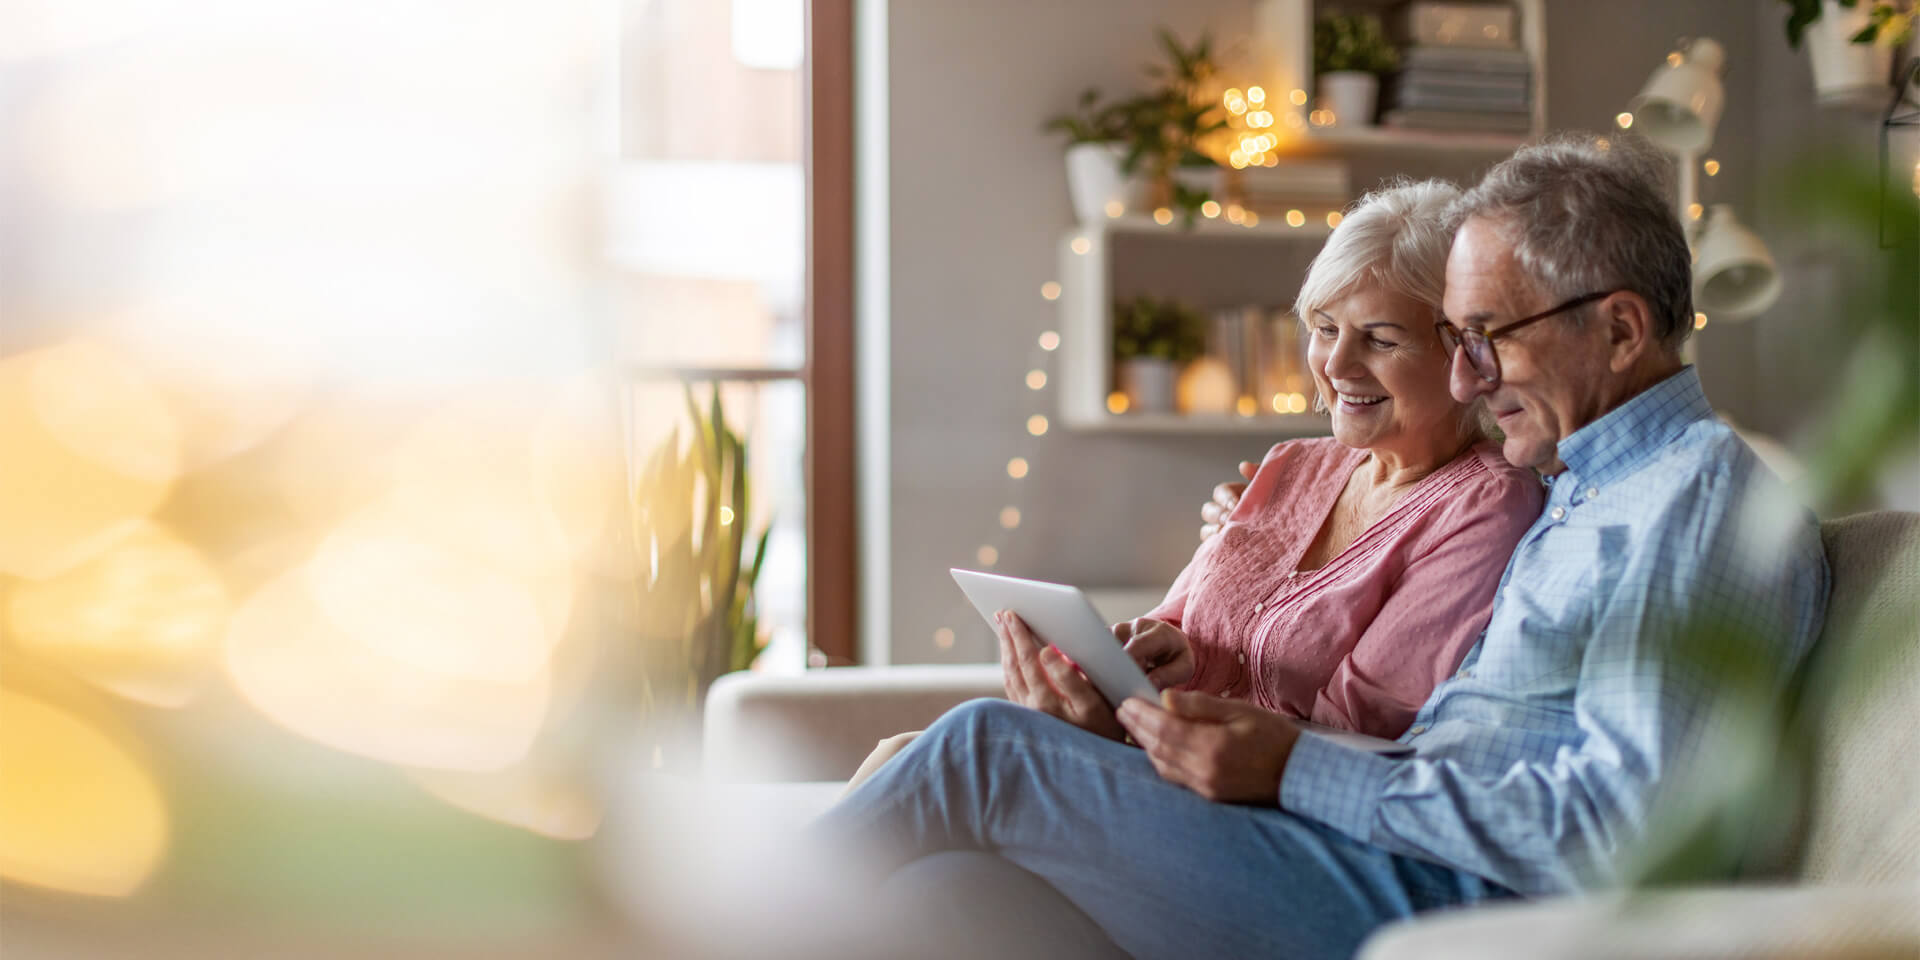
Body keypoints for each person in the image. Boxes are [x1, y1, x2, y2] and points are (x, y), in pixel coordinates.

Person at [813, 133, 1830, 960]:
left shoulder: (1693, 505)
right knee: (952, 895)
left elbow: (1619, 841)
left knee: (986, 752)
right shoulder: (1590, 491)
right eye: (1460, 341)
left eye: (1488, 339)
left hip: (1458, 904)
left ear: (1618, 331)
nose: (1470, 382)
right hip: (1385, 853)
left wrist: (1299, 772)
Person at [844, 180, 1544, 793]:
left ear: (1465, 354)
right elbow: (1183, 629)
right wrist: (1154, 661)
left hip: (1258, 811)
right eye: (1324, 328)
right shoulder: (1293, 464)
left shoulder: (1487, 503)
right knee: (904, 755)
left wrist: (1129, 726)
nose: (1335, 364)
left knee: (949, 750)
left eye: (1381, 339)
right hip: (1162, 760)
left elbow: (1358, 731)